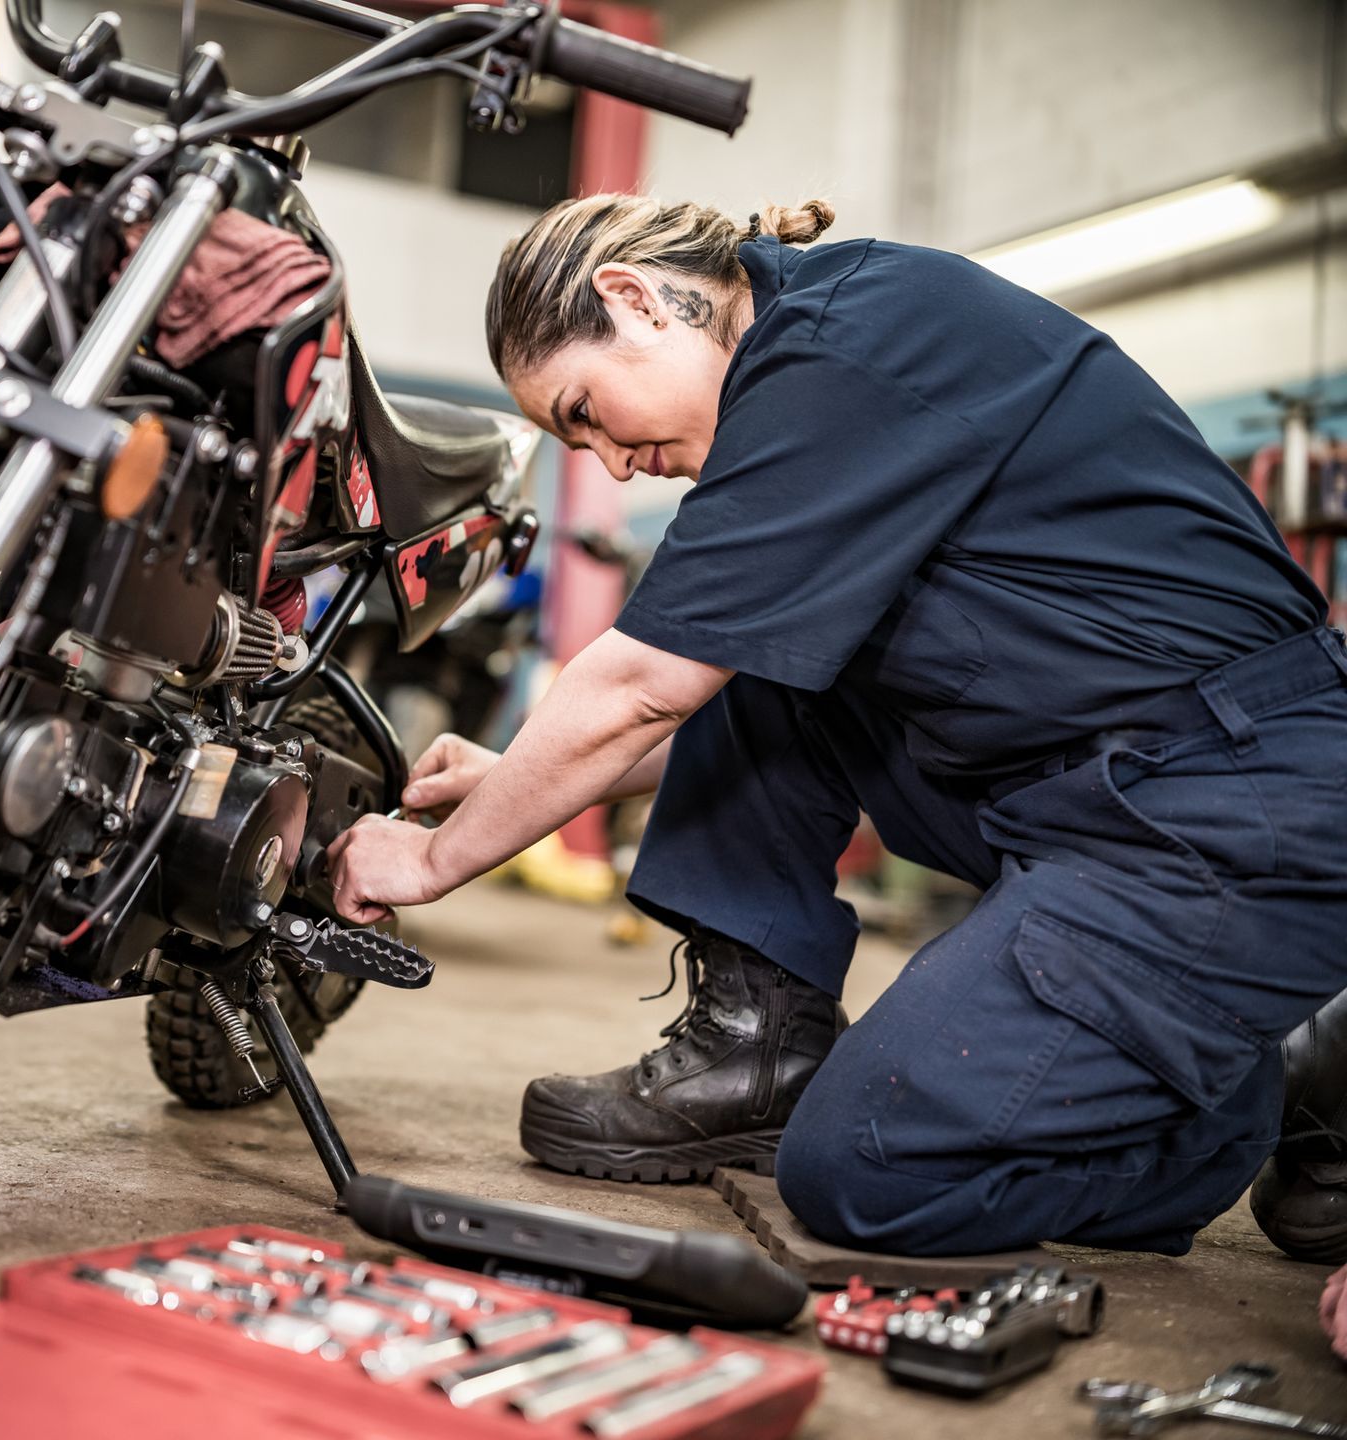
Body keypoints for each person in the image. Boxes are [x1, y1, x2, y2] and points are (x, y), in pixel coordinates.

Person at [326, 193, 1347, 1260]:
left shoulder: (851, 347)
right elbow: (717, 690)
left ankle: (1252, 1090)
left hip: (1232, 809)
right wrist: (514, 782)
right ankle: (758, 1047)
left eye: (583, 412)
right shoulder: (809, 366)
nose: (614, 465)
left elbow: (641, 686)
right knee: (757, 653)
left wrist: (440, 856)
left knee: (867, 1168)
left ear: (632, 300)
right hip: (1084, 790)